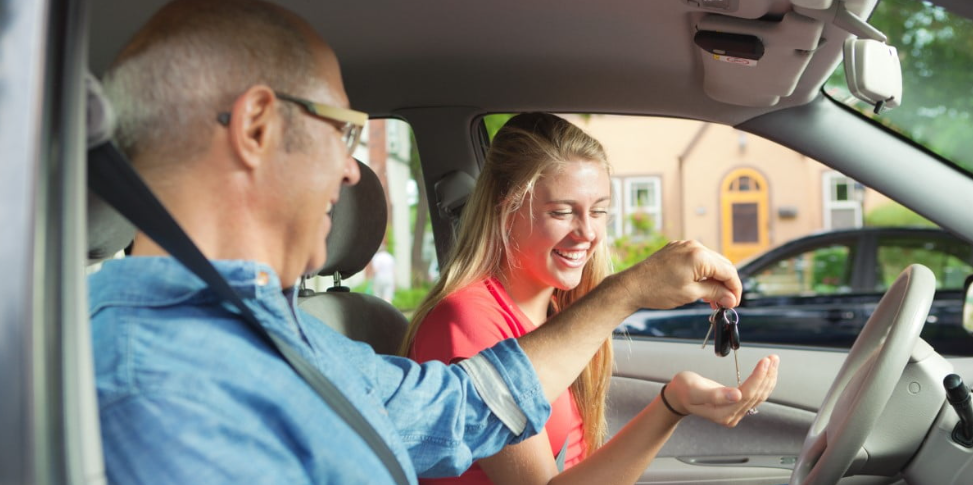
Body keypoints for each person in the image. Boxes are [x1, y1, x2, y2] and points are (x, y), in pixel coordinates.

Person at [90, 0, 779, 483]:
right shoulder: (154, 388)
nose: (351, 169)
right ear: (258, 127)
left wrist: (627, 291)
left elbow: (460, 408)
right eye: (344, 130)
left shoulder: (286, 337)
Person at [402, 113, 778, 485]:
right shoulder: (467, 320)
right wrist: (669, 405)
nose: (587, 233)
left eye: (599, 211)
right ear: (506, 206)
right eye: (562, 212)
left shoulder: (557, 310)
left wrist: (675, 400)